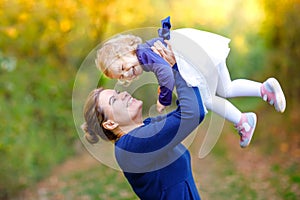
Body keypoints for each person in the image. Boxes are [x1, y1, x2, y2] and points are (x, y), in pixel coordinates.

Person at [95, 16, 286, 148]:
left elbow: (166, 75)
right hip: (200, 48)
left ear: (127, 50)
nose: (126, 74)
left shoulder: (145, 55)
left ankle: (243, 121)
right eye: (121, 77)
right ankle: (264, 89)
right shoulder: (146, 51)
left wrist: (163, 98)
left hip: (192, 57)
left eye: (122, 68)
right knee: (226, 87)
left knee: (208, 100)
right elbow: (165, 72)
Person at [82, 42, 206, 199]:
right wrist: (175, 68)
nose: (124, 94)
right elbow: (192, 113)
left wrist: (167, 74)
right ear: (110, 124)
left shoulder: (146, 128)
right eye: (114, 100)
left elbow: (187, 107)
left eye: (118, 92)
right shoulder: (132, 146)